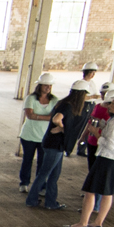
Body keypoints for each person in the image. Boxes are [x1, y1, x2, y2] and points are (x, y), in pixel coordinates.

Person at [67, 88, 114, 227]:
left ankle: (83, 222)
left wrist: (96, 133)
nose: (110, 106)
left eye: (113, 104)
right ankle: (98, 222)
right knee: (107, 193)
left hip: (106, 159)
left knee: (90, 191)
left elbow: (109, 144)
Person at [27, 80, 92, 211]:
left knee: (54, 174)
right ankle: (32, 199)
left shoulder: (65, 103)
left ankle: (51, 202)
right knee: (45, 173)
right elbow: (57, 119)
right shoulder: (68, 106)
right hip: (54, 145)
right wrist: (63, 128)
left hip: (55, 144)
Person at [19, 73, 58, 191]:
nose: (48, 88)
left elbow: (55, 117)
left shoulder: (55, 100)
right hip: (28, 135)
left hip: (44, 137)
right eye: (46, 85)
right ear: (40, 85)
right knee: (27, 160)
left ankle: (40, 186)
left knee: (42, 162)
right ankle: (24, 183)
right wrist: (48, 117)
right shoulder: (31, 98)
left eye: (50, 85)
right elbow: (29, 115)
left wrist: (38, 116)